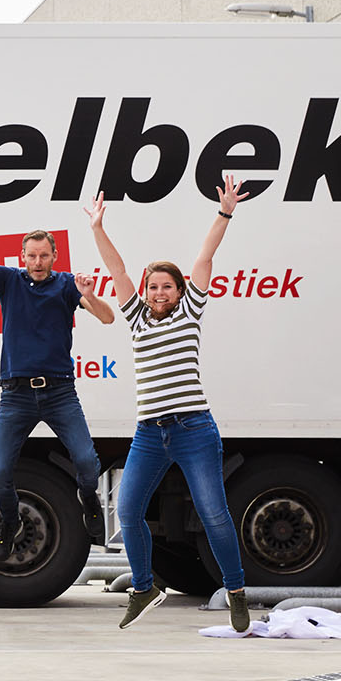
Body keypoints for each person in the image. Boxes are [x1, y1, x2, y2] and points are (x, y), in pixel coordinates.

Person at [86, 177, 254, 633]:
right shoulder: (137, 319)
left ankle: (236, 590)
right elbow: (117, 270)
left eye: (166, 287)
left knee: (213, 514)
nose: (159, 293)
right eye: (153, 287)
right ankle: (144, 588)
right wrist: (98, 228)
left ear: (180, 292)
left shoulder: (189, 313)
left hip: (194, 429)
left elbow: (204, 258)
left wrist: (224, 212)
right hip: (149, 433)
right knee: (127, 511)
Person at [0, 179, 116, 558]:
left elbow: (107, 318)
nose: (38, 262)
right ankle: (11, 520)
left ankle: (88, 497)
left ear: (54, 256)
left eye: (44, 256)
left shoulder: (67, 285)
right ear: (22, 257)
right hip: (17, 395)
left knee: (88, 463)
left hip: (59, 393)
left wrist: (89, 295)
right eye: (32, 256)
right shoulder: (9, 281)